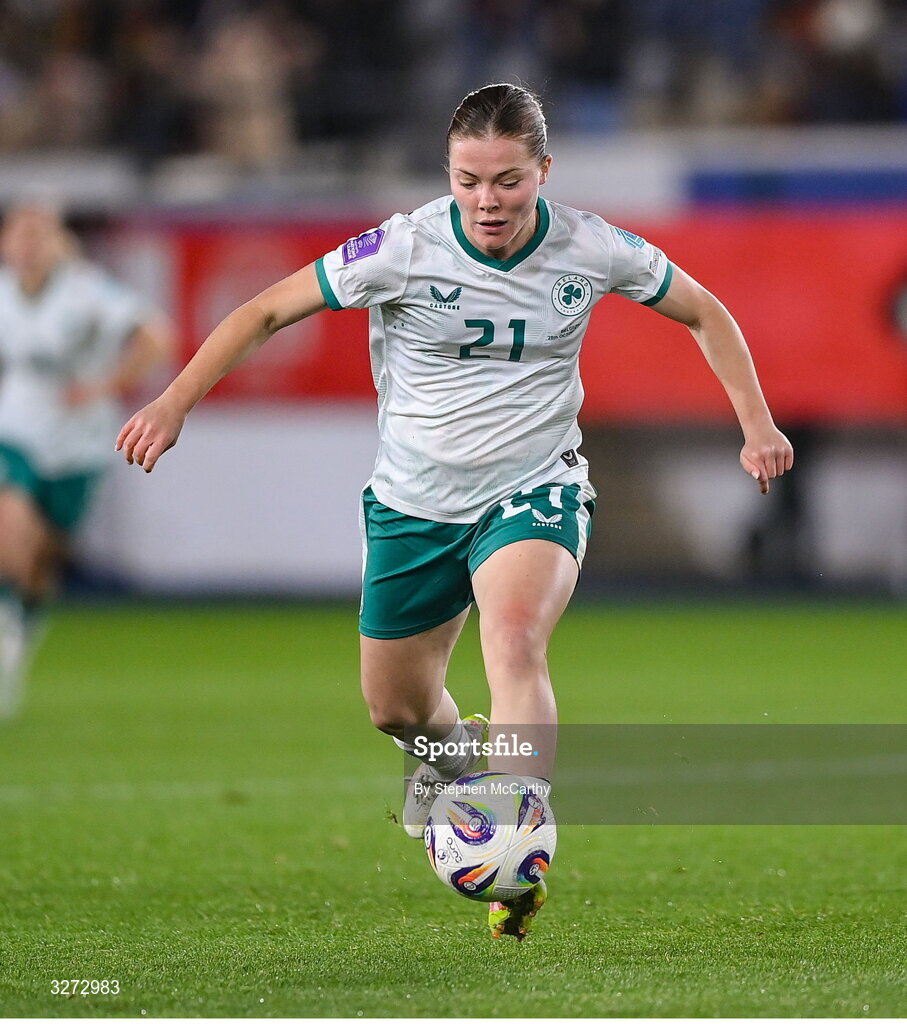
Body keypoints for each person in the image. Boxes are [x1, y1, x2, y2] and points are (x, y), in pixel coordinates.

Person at [116, 83, 794, 940]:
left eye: (507, 180)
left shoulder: (591, 247)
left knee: (513, 638)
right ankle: (456, 764)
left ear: (543, 171)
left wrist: (755, 421)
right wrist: (174, 402)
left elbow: (703, 309)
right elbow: (264, 309)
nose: (487, 201)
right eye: (468, 180)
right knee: (396, 707)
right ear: (448, 173)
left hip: (533, 485)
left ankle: (516, 835)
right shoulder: (402, 247)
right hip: (412, 503)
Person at [0, 202, 171, 718]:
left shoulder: (87, 291)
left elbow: (157, 339)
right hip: (17, 433)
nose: (27, 246)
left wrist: (105, 386)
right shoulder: (4, 292)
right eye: (19, 234)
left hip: (78, 443)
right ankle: (5, 622)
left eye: (38, 234)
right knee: (13, 536)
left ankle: (19, 634)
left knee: (42, 563)